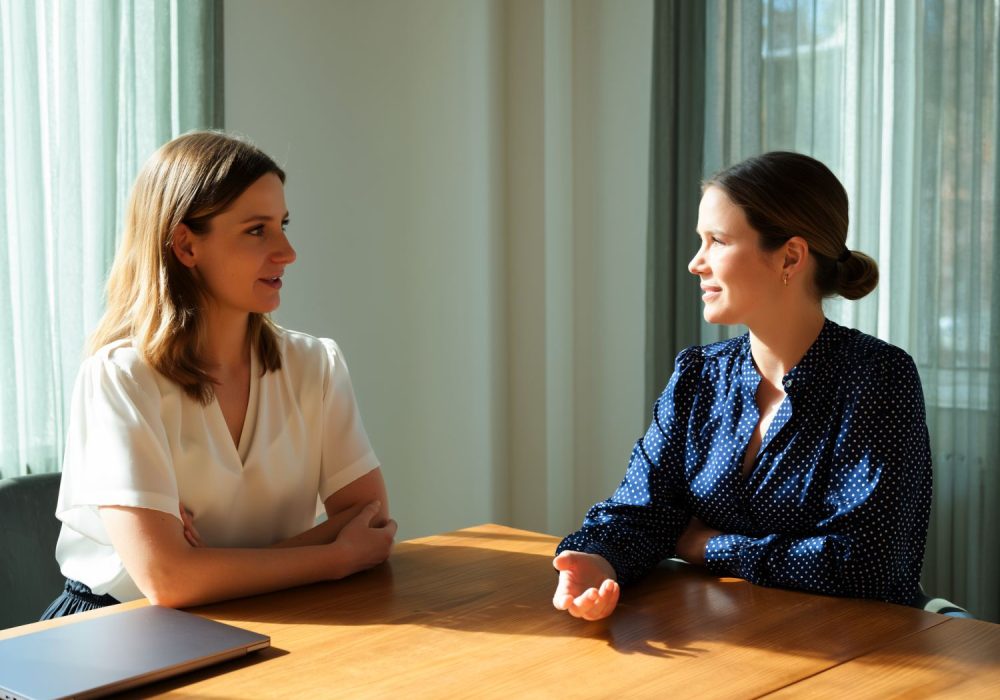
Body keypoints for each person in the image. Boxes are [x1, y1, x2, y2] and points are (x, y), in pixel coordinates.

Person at [552, 151, 932, 621]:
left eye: (717, 241)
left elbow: (865, 566)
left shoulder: (878, 378)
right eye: (700, 241)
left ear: (790, 256)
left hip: (847, 654)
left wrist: (707, 545)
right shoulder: (698, 375)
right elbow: (641, 512)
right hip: (717, 640)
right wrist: (593, 561)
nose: (696, 263)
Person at [43, 131, 397, 618]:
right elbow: (167, 582)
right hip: (116, 628)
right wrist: (333, 556)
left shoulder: (316, 364)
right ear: (186, 246)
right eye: (257, 230)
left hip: (279, 612)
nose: (287, 251)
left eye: (283, 224)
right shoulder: (121, 378)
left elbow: (371, 523)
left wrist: (205, 568)